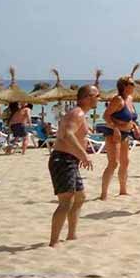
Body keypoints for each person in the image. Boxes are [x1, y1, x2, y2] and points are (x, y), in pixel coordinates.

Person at [48, 85, 98, 247]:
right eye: (96, 95)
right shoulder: (77, 113)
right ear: (87, 97)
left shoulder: (81, 115)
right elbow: (67, 134)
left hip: (70, 161)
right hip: (62, 160)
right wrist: (84, 155)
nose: (98, 98)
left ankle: (71, 234)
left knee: (80, 197)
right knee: (66, 201)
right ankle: (54, 241)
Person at [98, 74, 140, 200]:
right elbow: (105, 116)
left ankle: (123, 190)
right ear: (124, 86)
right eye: (132, 84)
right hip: (113, 134)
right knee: (113, 163)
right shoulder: (118, 100)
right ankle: (103, 194)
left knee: (125, 162)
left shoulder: (130, 99)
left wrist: (135, 126)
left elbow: (130, 118)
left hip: (126, 134)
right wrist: (115, 128)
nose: (134, 86)